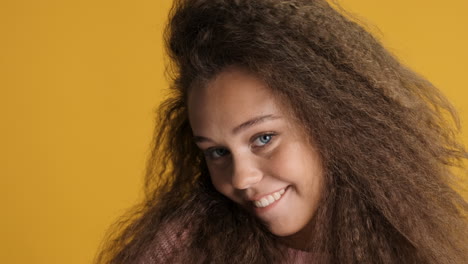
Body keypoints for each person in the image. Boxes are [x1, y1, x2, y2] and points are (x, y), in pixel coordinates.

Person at [95, 0, 468, 263]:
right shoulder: (182, 248)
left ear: (333, 123)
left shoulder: (426, 243)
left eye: (263, 138)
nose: (241, 178)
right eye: (217, 152)